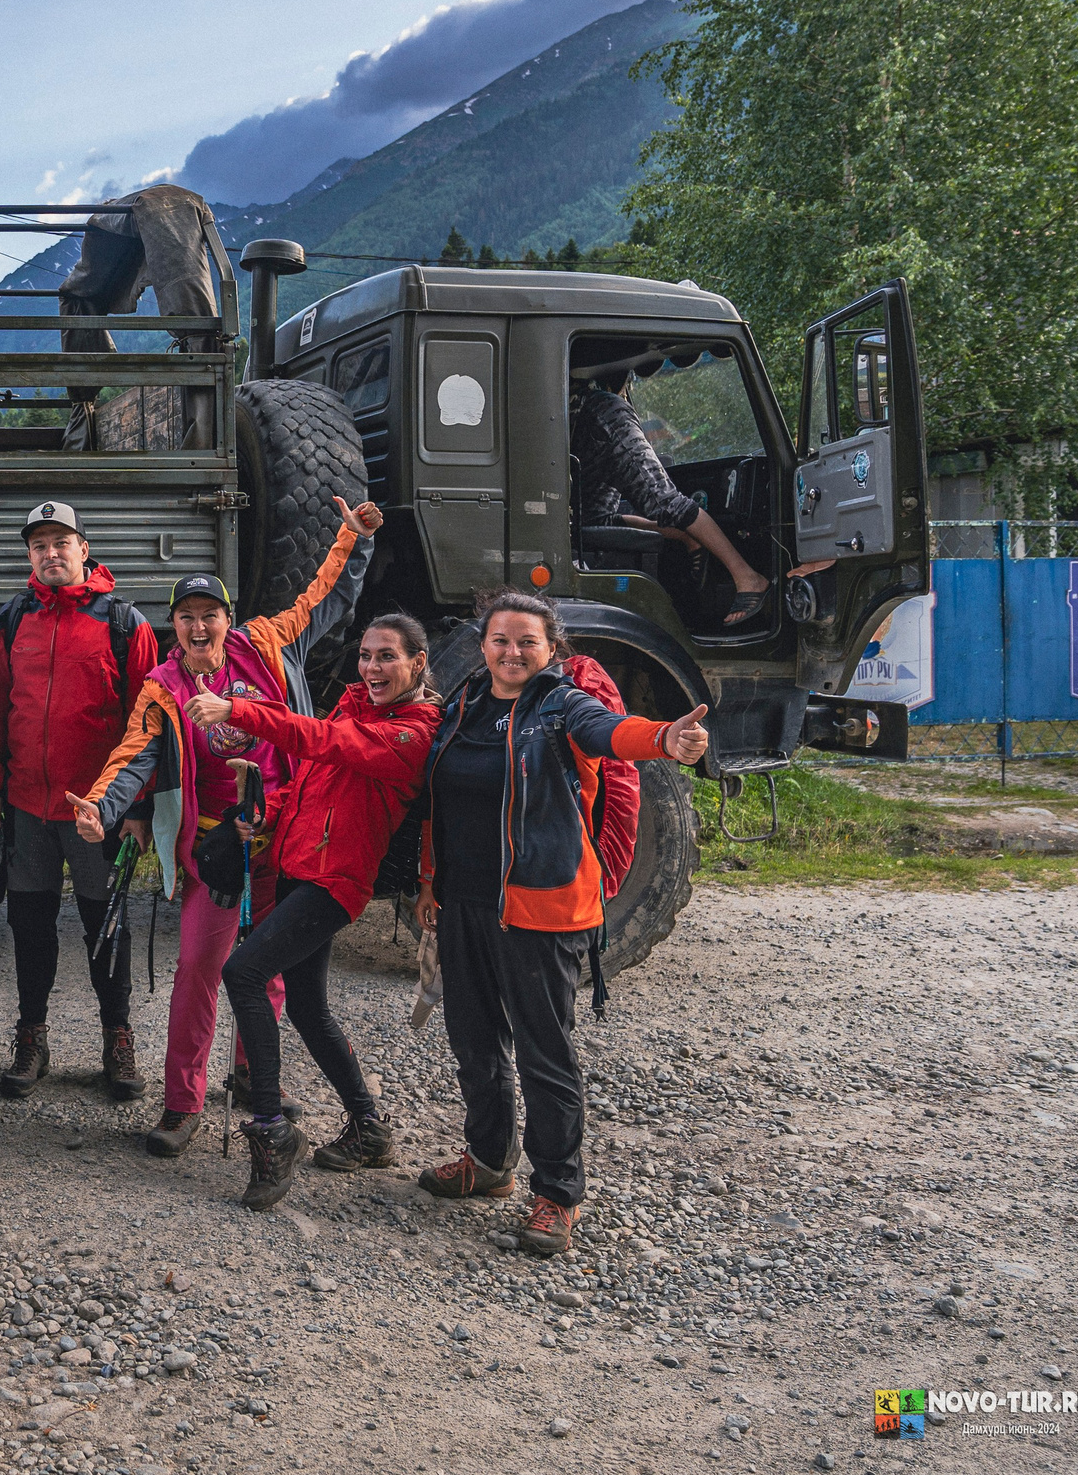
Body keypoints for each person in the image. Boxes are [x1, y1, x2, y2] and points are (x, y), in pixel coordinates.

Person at [70, 500, 377, 1157]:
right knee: (197, 969)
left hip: (284, 838)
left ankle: (252, 1076)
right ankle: (182, 1102)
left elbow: (321, 598)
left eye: (210, 614)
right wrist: (100, 805)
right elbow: (133, 754)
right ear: (174, 627)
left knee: (268, 969)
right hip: (215, 848)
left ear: (228, 620)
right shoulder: (163, 686)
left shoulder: (264, 644)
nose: (199, 625)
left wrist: (352, 537)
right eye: (186, 616)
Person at [412, 590, 712, 1254]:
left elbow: (612, 733)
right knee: (474, 1041)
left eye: (528, 641)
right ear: (483, 647)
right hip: (465, 903)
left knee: (544, 1054)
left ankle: (557, 1193)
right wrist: (431, 882)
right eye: (501, 640)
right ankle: (489, 1161)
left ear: (551, 649)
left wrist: (666, 738)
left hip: (541, 907)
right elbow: (440, 802)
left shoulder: (562, 704)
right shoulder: (464, 705)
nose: (513, 652)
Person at [191, 614, 440, 1210]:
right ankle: (369, 1128)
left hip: (336, 881)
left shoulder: (414, 731)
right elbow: (308, 782)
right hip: (300, 867)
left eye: (387, 656)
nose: (372, 667)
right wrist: (263, 813)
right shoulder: (354, 707)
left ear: (418, 663)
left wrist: (239, 711)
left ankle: (271, 1128)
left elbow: (324, 743)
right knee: (306, 1005)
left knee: (244, 972)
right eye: (366, 655)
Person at [0, 500, 157, 1102]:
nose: (51, 554)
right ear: (30, 555)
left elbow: (146, 726)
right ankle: (31, 1037)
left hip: (97, 812)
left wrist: (136, 809)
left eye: (61, 542)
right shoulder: (13, 621)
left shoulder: (125, 623)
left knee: (108, 925)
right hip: (27, 805)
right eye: (39, 545)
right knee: (30, 927)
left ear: (84, 548)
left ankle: (117, 1038)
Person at [571, 371, 771, 624]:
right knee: (592, 520)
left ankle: (747, 577)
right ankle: (687, 536)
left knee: (665, 501)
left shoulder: (604, 409)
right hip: (580, 417)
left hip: (601, 415)